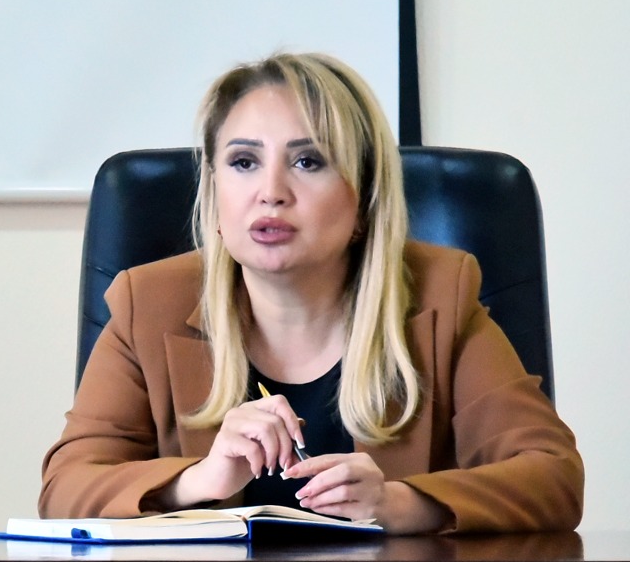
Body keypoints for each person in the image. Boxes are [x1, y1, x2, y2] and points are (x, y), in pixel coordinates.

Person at [40, 52, 582, 534]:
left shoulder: (441, 297)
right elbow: (64, 488)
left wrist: (396, 503)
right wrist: (198, 480)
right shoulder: (148, 303)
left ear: (364, 198)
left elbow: (552, 476)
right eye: (244, 162)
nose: (271, 193)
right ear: (214, 190)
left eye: (308, 161)